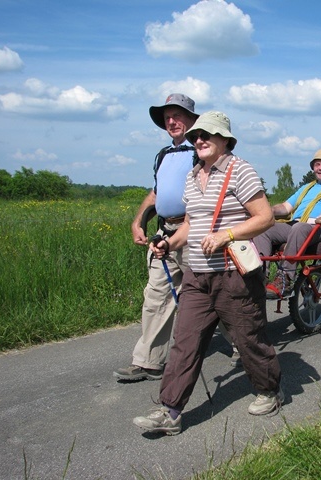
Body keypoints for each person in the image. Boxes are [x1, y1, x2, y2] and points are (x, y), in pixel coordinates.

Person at [133, 111, 282, 435]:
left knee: (249, 339)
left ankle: (269, 391)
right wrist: (169, 244)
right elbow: (190, 224)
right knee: (185, 342)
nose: (199, 140)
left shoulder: (240, 170)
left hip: (234, 275)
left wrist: (226, 235)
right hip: (196, 275)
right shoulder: (192, 176)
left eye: (207, 135)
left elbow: (265, 217)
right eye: (196, 136)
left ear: (225, 140)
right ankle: (170, 411)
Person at [113, 94, 198, 382]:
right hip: (165, 234)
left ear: (192, 118)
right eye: (167, 118)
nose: (172, 122)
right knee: (156, 297)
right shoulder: (163, 155)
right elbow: (156, 194)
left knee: (211, 294)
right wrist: (138, 221)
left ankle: (241, 346)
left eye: (177, 115)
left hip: (196, 233)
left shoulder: (203, 150)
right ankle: (148, 361)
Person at [255, 148, 321, 299]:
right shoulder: (307, 188)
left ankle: (285, 279)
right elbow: (286, 208)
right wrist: (269, 210)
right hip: (299, 227)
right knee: (263, 229)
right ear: (313, 168)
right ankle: (258, 277)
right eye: (317, 164)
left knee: (300, 227)